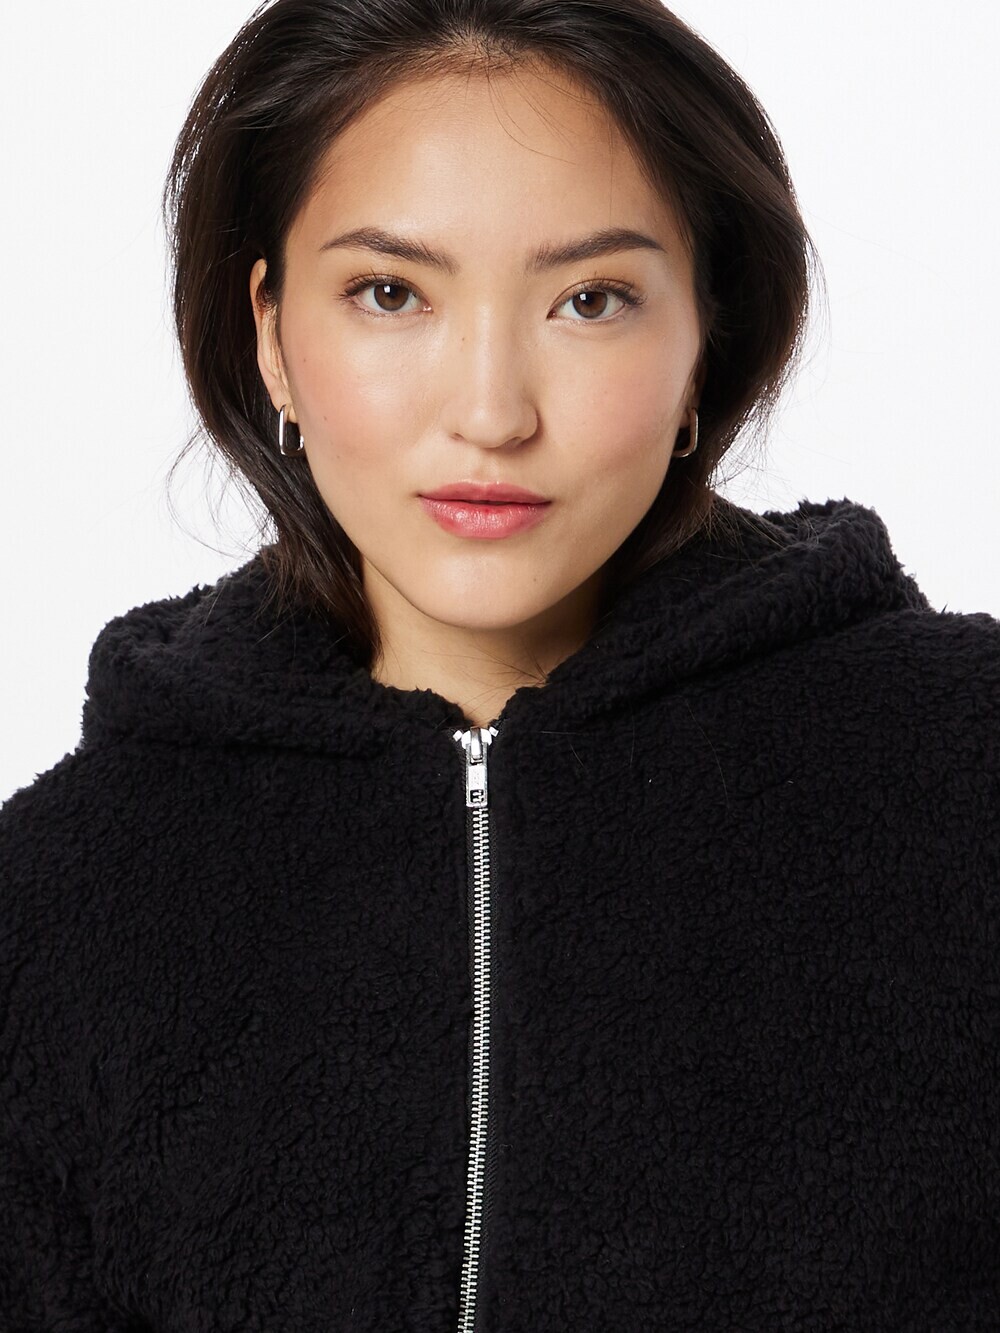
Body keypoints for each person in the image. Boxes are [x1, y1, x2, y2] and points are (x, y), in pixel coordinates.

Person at [1, 0, 997, 1327]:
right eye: (390, 293)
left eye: (591, 300)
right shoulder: (54, 904)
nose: (491, 411)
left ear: (705, 335)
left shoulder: (965, 777)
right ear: (271, 334)